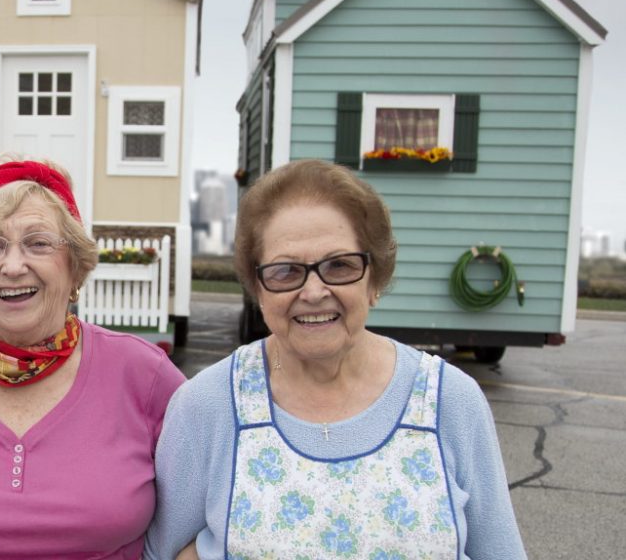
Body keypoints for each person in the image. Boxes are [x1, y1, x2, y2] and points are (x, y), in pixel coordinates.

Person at [144, 160, 525, 559]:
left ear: (374, 279)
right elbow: (160, 553)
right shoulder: (209, 404)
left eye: (339, 266)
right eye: (286, 271)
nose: (313, 291)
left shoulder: (450, 401)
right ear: (259, 289)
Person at [0, 157, 185, 558]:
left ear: (75, 267)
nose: (13, 265)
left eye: (38, 243)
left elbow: (207, 511)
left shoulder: (144, 375)